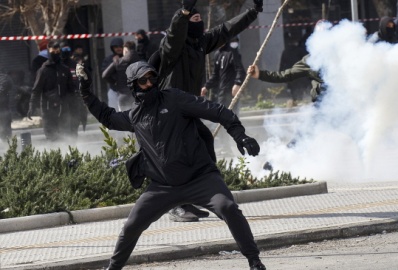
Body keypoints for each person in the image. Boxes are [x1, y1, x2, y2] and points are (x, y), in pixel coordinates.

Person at [76, 61, 267, 270]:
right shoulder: (135, 116)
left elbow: (218, 111)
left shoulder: (175, 99)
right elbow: (107, 117)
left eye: (152, 78)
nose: (149, 83)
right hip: (162, 187)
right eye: (143, 80)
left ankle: (254, 261)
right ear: (133, 85)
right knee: (131, 226)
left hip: (200, 179)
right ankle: (113, 268)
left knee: (228, 207)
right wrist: (85, 90)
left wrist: (240, 136)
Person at [148, 0, 263, 222]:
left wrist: (253, 12)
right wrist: (182, 12)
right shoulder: (171, 48)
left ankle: (195, 197)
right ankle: (175, 206)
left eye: (197, 14)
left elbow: (226, 29)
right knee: (175, 158)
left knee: (204, 146)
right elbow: (174, 34)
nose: (197, 15)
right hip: (168, 112)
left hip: (188, 109)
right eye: (193, 15)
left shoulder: (200, 43)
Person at [27, 40, 77, 141]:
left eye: (57, 52)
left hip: (64, 110)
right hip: (48, 110)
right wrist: (32, 106)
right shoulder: (43, 70)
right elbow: (36, 90)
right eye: (53, 52)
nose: (56, 54)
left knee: (67, 138)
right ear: (49, 52)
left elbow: (71, 90)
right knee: (52, 139)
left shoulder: (65, 69)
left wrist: (77, 106)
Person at [201, 36, 246, 115]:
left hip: (231, 90)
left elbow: (240, 70)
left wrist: (237, 84)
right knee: (221, 114)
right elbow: (216, 75)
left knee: (231, 115)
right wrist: (206, 86)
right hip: (221, 90)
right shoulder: (218, 54)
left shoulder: (232, 52)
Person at [102, 41, 140, 111]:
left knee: (123, 119)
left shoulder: (118, 61)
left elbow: (105, 75)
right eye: (116, 47)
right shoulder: (141, 60)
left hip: (123, 95)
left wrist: (115, 82)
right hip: (137, 96)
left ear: (125, 50)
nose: (119, 49)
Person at [101, 37, 124, 107]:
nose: (118, 48)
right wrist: (114, 82)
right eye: (116, 47)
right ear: (112, 48)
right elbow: (104, 74)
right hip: (114, 91)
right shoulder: (108, 59)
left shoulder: (127, 57)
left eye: (120, 46)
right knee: (114, 113)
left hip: (127, 91)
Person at [0, 69, 13, 141]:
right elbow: (11, 86)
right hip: (5, 107)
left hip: (3, 108)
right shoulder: (6, 78)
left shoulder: (4, 78)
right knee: (6, 127)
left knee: (4, 127)